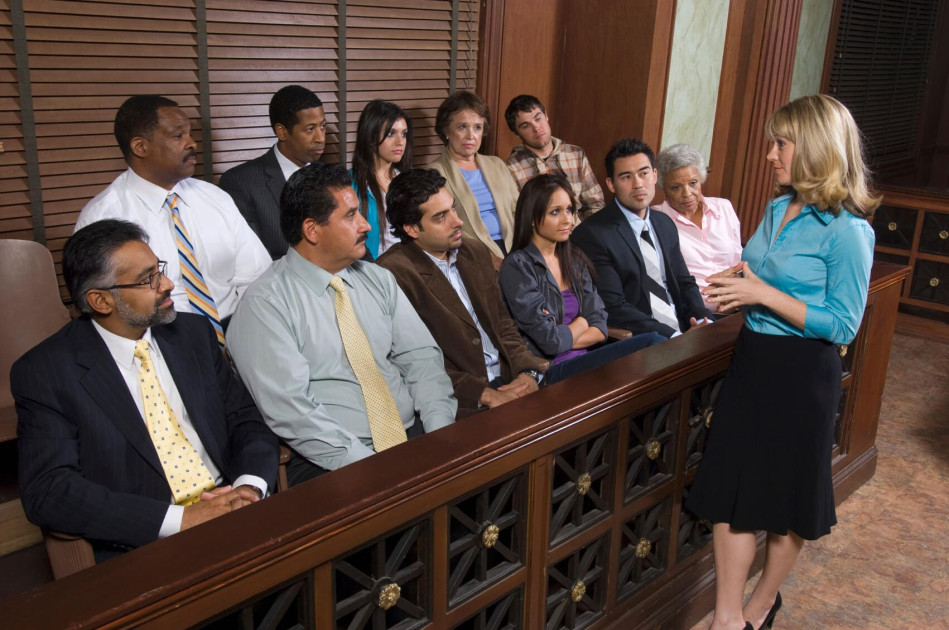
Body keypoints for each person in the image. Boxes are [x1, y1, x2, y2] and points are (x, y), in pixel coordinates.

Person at [684, 94, 878, 630]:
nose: (771, 154)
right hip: (754, 359)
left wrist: (762, 295)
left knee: (784, 498)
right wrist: (735, 283)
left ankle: (762, 602)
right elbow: (762, 271)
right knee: (732, 489)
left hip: (801, 374)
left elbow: (843, 325)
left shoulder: (849, 231)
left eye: (781, 143)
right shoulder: (777, 206)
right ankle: (727, 618)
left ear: (815, 148)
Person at [12, 220, 278, 561]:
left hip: (235, 509)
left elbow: (245, 420)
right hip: (147, 543)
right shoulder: (46, 372)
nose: (167, 284)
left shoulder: (192, 334)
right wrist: (182, 519)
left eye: (160, 270)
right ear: (101, 300)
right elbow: (49, 491)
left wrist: (249, 488)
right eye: (148, 278)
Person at [226, 163, 456, 485]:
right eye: (350, 216)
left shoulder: (378, 279)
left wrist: (439, 436)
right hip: (332, 460)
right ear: (312, 230)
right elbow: (293, 412)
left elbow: (422, 360)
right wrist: (377, 472)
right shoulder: (266, 304)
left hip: (412, 436)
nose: (365, 225)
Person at [76, 95, 271, 344]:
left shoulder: (214, 197)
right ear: (140, 147)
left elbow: (256, 278)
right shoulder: (103, 217)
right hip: (162, 342)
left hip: (238, 330)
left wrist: (253, 337)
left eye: (189, 134)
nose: (192, 143)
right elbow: (110, 315)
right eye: (178, 136)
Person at [377, 169, 543, 418]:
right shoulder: (391, 274)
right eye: (441, 217)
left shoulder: (473, 250)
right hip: (461, 402)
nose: (458, 221)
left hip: (510, 381)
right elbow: (414, 364)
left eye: (453, 209)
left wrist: (527, 373)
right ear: (412, 229)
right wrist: (485, 395)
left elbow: (503, 325)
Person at [499, 174, 663, 385]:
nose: (567, 219)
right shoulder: (518, 266)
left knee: (657, 349)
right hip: (551, 371)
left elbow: (600, 326)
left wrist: (569, 333)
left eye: (569, 210)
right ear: (531, 218)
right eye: (555, 212)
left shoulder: (573, 258)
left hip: (586, 361)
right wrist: (583, 322)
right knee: (652, 343)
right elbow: (549, 342)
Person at [571, 138, 711, 338]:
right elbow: (614, 307)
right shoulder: (592, 235)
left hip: (683, 331)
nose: (638, 184)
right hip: (640, 341)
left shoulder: (664, 223)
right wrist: (674, 337)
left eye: (644, 174)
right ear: (611, 184)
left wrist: (702, 320)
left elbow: (684, 283)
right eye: (626, 177)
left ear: (654, 176)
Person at [220, 85, 327, 259]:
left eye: (322, 127)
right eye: (310, 129)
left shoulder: (329, 176)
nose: (320, 138)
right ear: (282, 132)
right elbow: (251, 260)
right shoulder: (241, 182)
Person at [427, 91, 520, 261]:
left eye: (477, 127)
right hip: (471, 256)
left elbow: (519, 210)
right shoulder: (434, 172)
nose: (471, 136)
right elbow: (439, 229)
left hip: (515, 248)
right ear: (446, 130)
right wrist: (487, 259)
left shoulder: (497, 164)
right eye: (462, 127)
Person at [654, 143, 742, 313]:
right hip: (693, 314)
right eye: (676, 187)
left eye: (693, 183)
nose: (687, 193)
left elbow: (737, 262)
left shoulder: (724, 208)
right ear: (663, 188)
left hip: (738, 307)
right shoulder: (657, 219)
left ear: (701, 179)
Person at [504, 94, 604, 218]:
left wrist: (585, 234)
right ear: (517, 134)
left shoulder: (575, 155)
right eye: (526, 126)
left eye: (538, 118)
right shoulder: (510, 169)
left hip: (578, 233)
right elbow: (515, 217)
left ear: (546, 116)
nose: (536, 128)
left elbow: (595, 205)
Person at [350, 100, 413, 259]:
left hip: (410, 266)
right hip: (373, 270)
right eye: (391, 133)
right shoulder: (349, 185)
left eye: (404, 133)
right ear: (370, 137)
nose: (400, 141)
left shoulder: (408, 181)